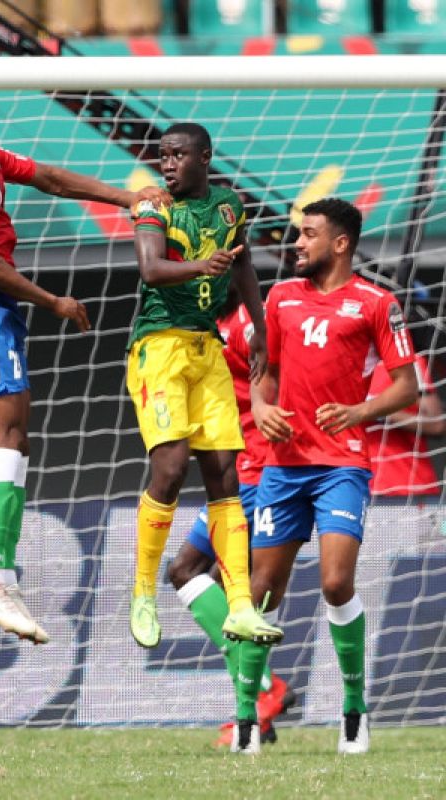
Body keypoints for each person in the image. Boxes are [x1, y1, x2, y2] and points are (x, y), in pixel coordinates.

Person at [0, 79, 165, 643]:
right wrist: (53, 302)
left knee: (18, 438)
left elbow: (47, 177)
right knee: (4, 437)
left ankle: (0, 573)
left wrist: (129, 199)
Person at [244, 197, 418, 755]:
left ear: (340, 244)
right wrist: (261, 405)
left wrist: (358, 413)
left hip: (342, 464)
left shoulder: (376, 302)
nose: (297, 243)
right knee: (260, 594)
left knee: (336, 583)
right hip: (283, 467)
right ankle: (246, 718)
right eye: (299, 234)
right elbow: (261, 371)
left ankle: (353, 707)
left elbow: (406, 387)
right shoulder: (280, 297)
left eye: (309, 235)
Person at [126, 122, 282, 672]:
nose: (167, 165)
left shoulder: (228, 205)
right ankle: (143, 592)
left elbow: (241, 261)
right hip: (159, 348)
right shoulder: (154, 207)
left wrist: (259, 326)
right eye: (162, 156)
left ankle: (239, 605)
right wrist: (199, 266)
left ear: (205, 157)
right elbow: (150, 268)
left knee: (223, 474)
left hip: (206, 348)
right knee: (169, 469)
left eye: (177, 156)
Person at [165, 293, 292, 748]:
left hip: (257, 472)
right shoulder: (201, 320)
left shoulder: (248, 324)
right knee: (200, 578)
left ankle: (265, 691)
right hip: (235, 470)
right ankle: (264, 693)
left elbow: (278, 383)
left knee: (195, 573)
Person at [365, 353, 444, 497]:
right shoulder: (341, 365)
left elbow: (437, 424)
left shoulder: (409, 362)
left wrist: (377, 409)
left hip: (408, 487)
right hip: (355, 487)